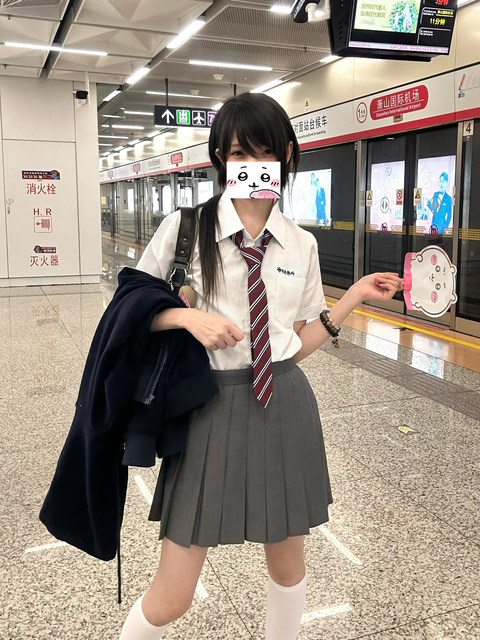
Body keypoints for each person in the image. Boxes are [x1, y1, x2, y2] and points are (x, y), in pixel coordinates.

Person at [119, 92, 402, 640]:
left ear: (287, 155)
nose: (251, 165)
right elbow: (130, 313)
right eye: (237, 154)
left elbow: (293, 343)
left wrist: (354, 297)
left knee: (288, 567)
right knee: (174, 593)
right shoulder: (184, 229)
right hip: (206, 407)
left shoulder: (300, 244)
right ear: (220, 159)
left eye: (263, 152)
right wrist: (187, 319)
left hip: (283, 407)